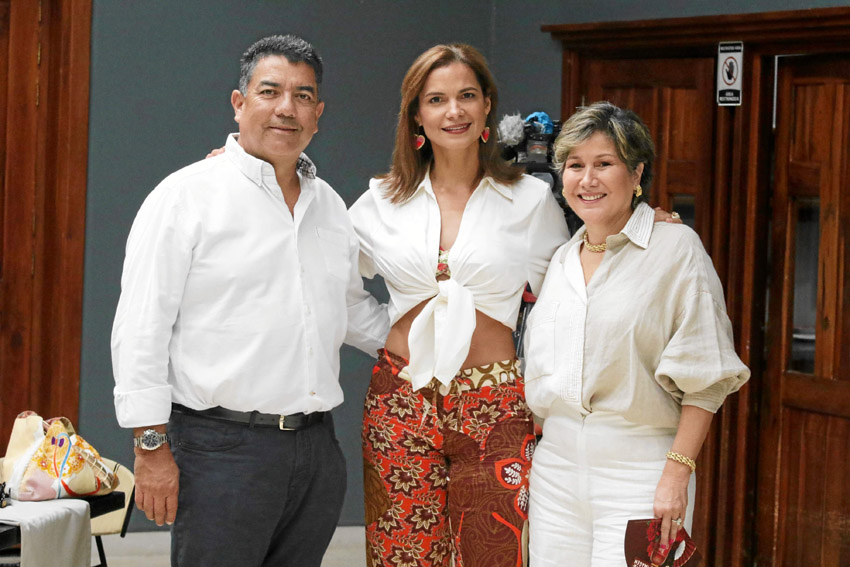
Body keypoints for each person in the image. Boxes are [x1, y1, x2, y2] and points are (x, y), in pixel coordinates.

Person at [111, 34, 388, 567]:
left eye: (303, 96)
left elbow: (350, 309)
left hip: (316, 449)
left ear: (318, 114)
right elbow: (141, 327)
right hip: (220, 451)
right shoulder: (186, 196)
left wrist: (433, 345)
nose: (287, 108)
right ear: (239, 103)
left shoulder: (329, 205)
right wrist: (150, 447)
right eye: (270, 91)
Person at [346, 43, 567, 567]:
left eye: (467, 96)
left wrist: (647, 218)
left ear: (487, 105)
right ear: (416, 115)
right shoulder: (381, 201)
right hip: (400, 400)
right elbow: (330, 285)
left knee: (495, 553)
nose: (454, 111)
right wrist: (390, 335)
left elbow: (565, 302)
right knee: (401, 555)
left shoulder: (530, 200)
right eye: (436, 99)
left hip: (495, 402)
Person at [523, 101, 750, 567]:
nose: (587, 179)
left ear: (637, 172)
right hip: (555, 472)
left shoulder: (676, 248)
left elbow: (706, 379)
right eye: (575, 165)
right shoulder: (562, 259)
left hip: (639, 472)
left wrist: (676, 475)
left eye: (604, 164)